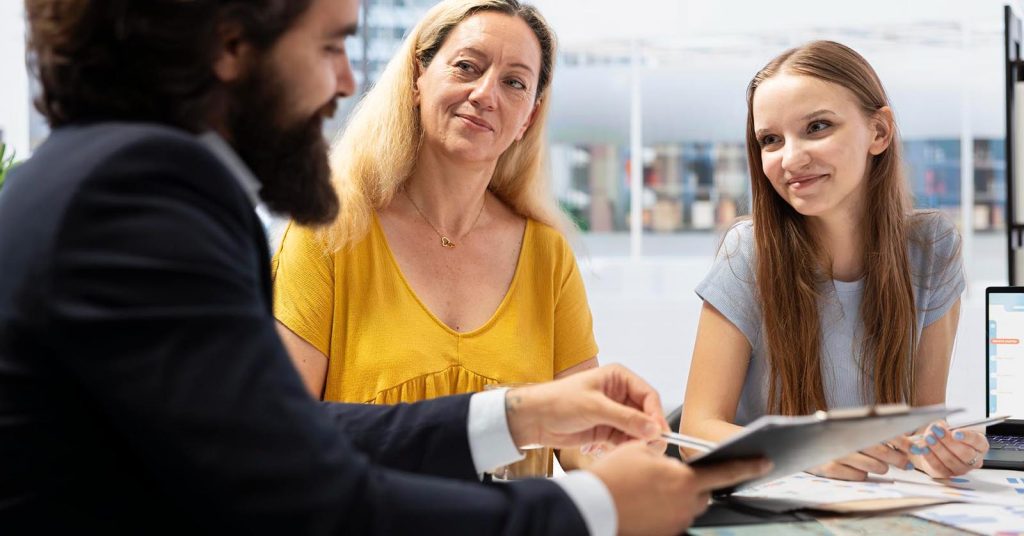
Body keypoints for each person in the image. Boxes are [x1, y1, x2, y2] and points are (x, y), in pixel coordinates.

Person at [0, 0, 770, 534]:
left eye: (517, 82)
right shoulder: (141, 200)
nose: (343, 81)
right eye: (330, 46)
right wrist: (593, 512)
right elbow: (298, 498)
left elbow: (282, 434)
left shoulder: (107, 176)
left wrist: (523, 413)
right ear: (232, 46)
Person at [272, 0, 597, 471]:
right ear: (416, 79)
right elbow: (281, 432)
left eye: (514, 82)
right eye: (467, 66)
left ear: (528, 117)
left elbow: (583, 438)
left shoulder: (547, 253)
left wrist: (633, 448)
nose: (486, 94)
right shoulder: (329, 233)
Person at [679, 40, 988, 481]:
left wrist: (939, 451)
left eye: (817, 127)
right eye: (770, 139)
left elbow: (919, 423)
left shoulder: (932, 248)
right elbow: (696, 434)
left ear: (879, 133)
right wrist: (805, 453)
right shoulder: (748, 252)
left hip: (873, 504)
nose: (790, 158)